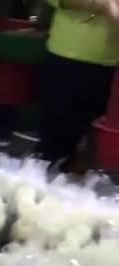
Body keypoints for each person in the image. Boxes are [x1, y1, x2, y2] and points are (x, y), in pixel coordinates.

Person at [38, 0, 119, 168]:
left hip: (110, 64)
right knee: (57, 141)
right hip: (69, 57)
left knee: (97, 145)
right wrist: (102, 4)